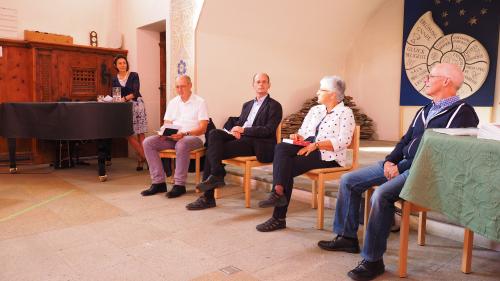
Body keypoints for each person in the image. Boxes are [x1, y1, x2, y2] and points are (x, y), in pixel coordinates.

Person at [317, 63, 479, 281]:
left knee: (382, 194)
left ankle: (373, 261)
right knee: (349, 179)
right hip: (402, 163)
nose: (426, 80)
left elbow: (454, 156)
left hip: (427, 172)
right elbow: (405, 140)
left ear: (446, 81)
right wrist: (390, 161)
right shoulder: (425, 109)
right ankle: (347, 237)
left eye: (431, 76)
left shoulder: (464, 113)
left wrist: (406, 167)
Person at [256, 76, 355, 232]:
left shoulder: (345, 112)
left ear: (333, 95)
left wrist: (316, 145)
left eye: (321, 90)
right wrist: (298, 137)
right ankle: (278, 192)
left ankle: (278, 216)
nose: (317, 92)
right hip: (307, 146)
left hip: (328, 156)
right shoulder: (315, 110)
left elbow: (344, 141)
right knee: (281, 147)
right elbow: (303, 132)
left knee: (287, 166)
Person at [185, 73, 283, 210]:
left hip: (258, 144)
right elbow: (239, 123)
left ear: (269, 85)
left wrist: (243, 130)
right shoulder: (247, 105)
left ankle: (208, 196)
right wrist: (235, 131)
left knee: (212, 151)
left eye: (264, 82)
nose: (261, 84)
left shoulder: (275, 106)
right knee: (213, 134)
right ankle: (217, 174)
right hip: (242, 139)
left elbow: (268, 130)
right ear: (253, 85)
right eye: (258, 82)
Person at [140, 75, 209, 198]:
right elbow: (167, 123)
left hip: (194, 138)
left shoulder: (200, 102)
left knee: (182, 144)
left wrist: (184, 134)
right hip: (173, 137)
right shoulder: (173, 102)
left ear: (190, 86)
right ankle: (158, 182)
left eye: (182, 86)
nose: (180, 89)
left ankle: (179, 185)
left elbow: (203, 128)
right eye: (177, 87)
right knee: (148, 142)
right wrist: (165, 132)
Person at [112, 55, 148, 171]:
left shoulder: (134, 75)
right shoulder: (114, 79)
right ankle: (146, 158)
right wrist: (117, 99)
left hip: (137, 105)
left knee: (140, 133)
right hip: (124, 108)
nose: (123, 65)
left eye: (124, 63)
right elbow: (115, 94)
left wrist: (124, 98)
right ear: (116, 66)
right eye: (120, 63)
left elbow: (136, 92)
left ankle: (141, 160)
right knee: (127, 133)